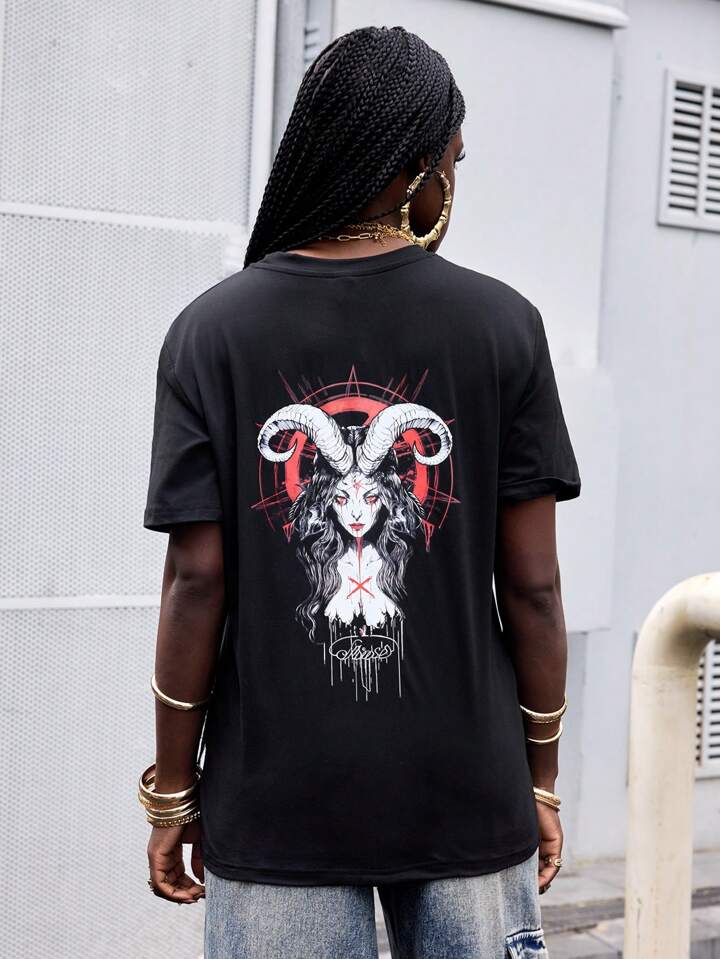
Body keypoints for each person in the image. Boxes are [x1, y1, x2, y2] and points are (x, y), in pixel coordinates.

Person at [139, 24, 581, 959]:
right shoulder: (504, 326)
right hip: (469, 796)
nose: (453, 182)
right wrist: (538, 778)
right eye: (454, 161)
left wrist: (173, 792)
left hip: (276, 809)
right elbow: (534, 587)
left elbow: (196, 580)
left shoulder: (211, 331)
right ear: (419, 169)